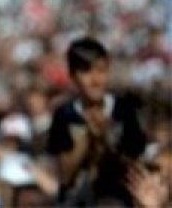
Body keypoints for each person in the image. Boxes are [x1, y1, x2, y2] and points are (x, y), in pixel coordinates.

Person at [46, 36, 148, 206]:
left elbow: (134, 163)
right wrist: (88, 138)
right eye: (86, 72)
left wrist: (106, 136)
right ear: (73, 76)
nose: (95, 80)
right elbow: (64, 175)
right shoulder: (65, 115)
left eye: (101, 71)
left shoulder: (124, 109)